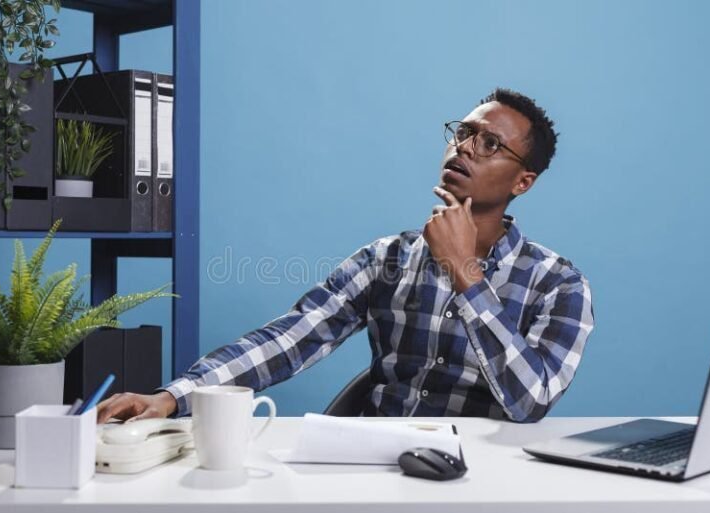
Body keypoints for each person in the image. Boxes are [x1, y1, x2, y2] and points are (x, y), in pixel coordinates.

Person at [97, 88, 595, 424]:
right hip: (376, 474)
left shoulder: (558, 284)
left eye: (489, 143)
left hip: (485, 484)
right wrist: (172, 397)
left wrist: (465, 273)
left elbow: (533, 399)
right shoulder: (388, 258)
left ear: (523, 181)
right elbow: (292, 338)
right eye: (462, 132)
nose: (464, 148)